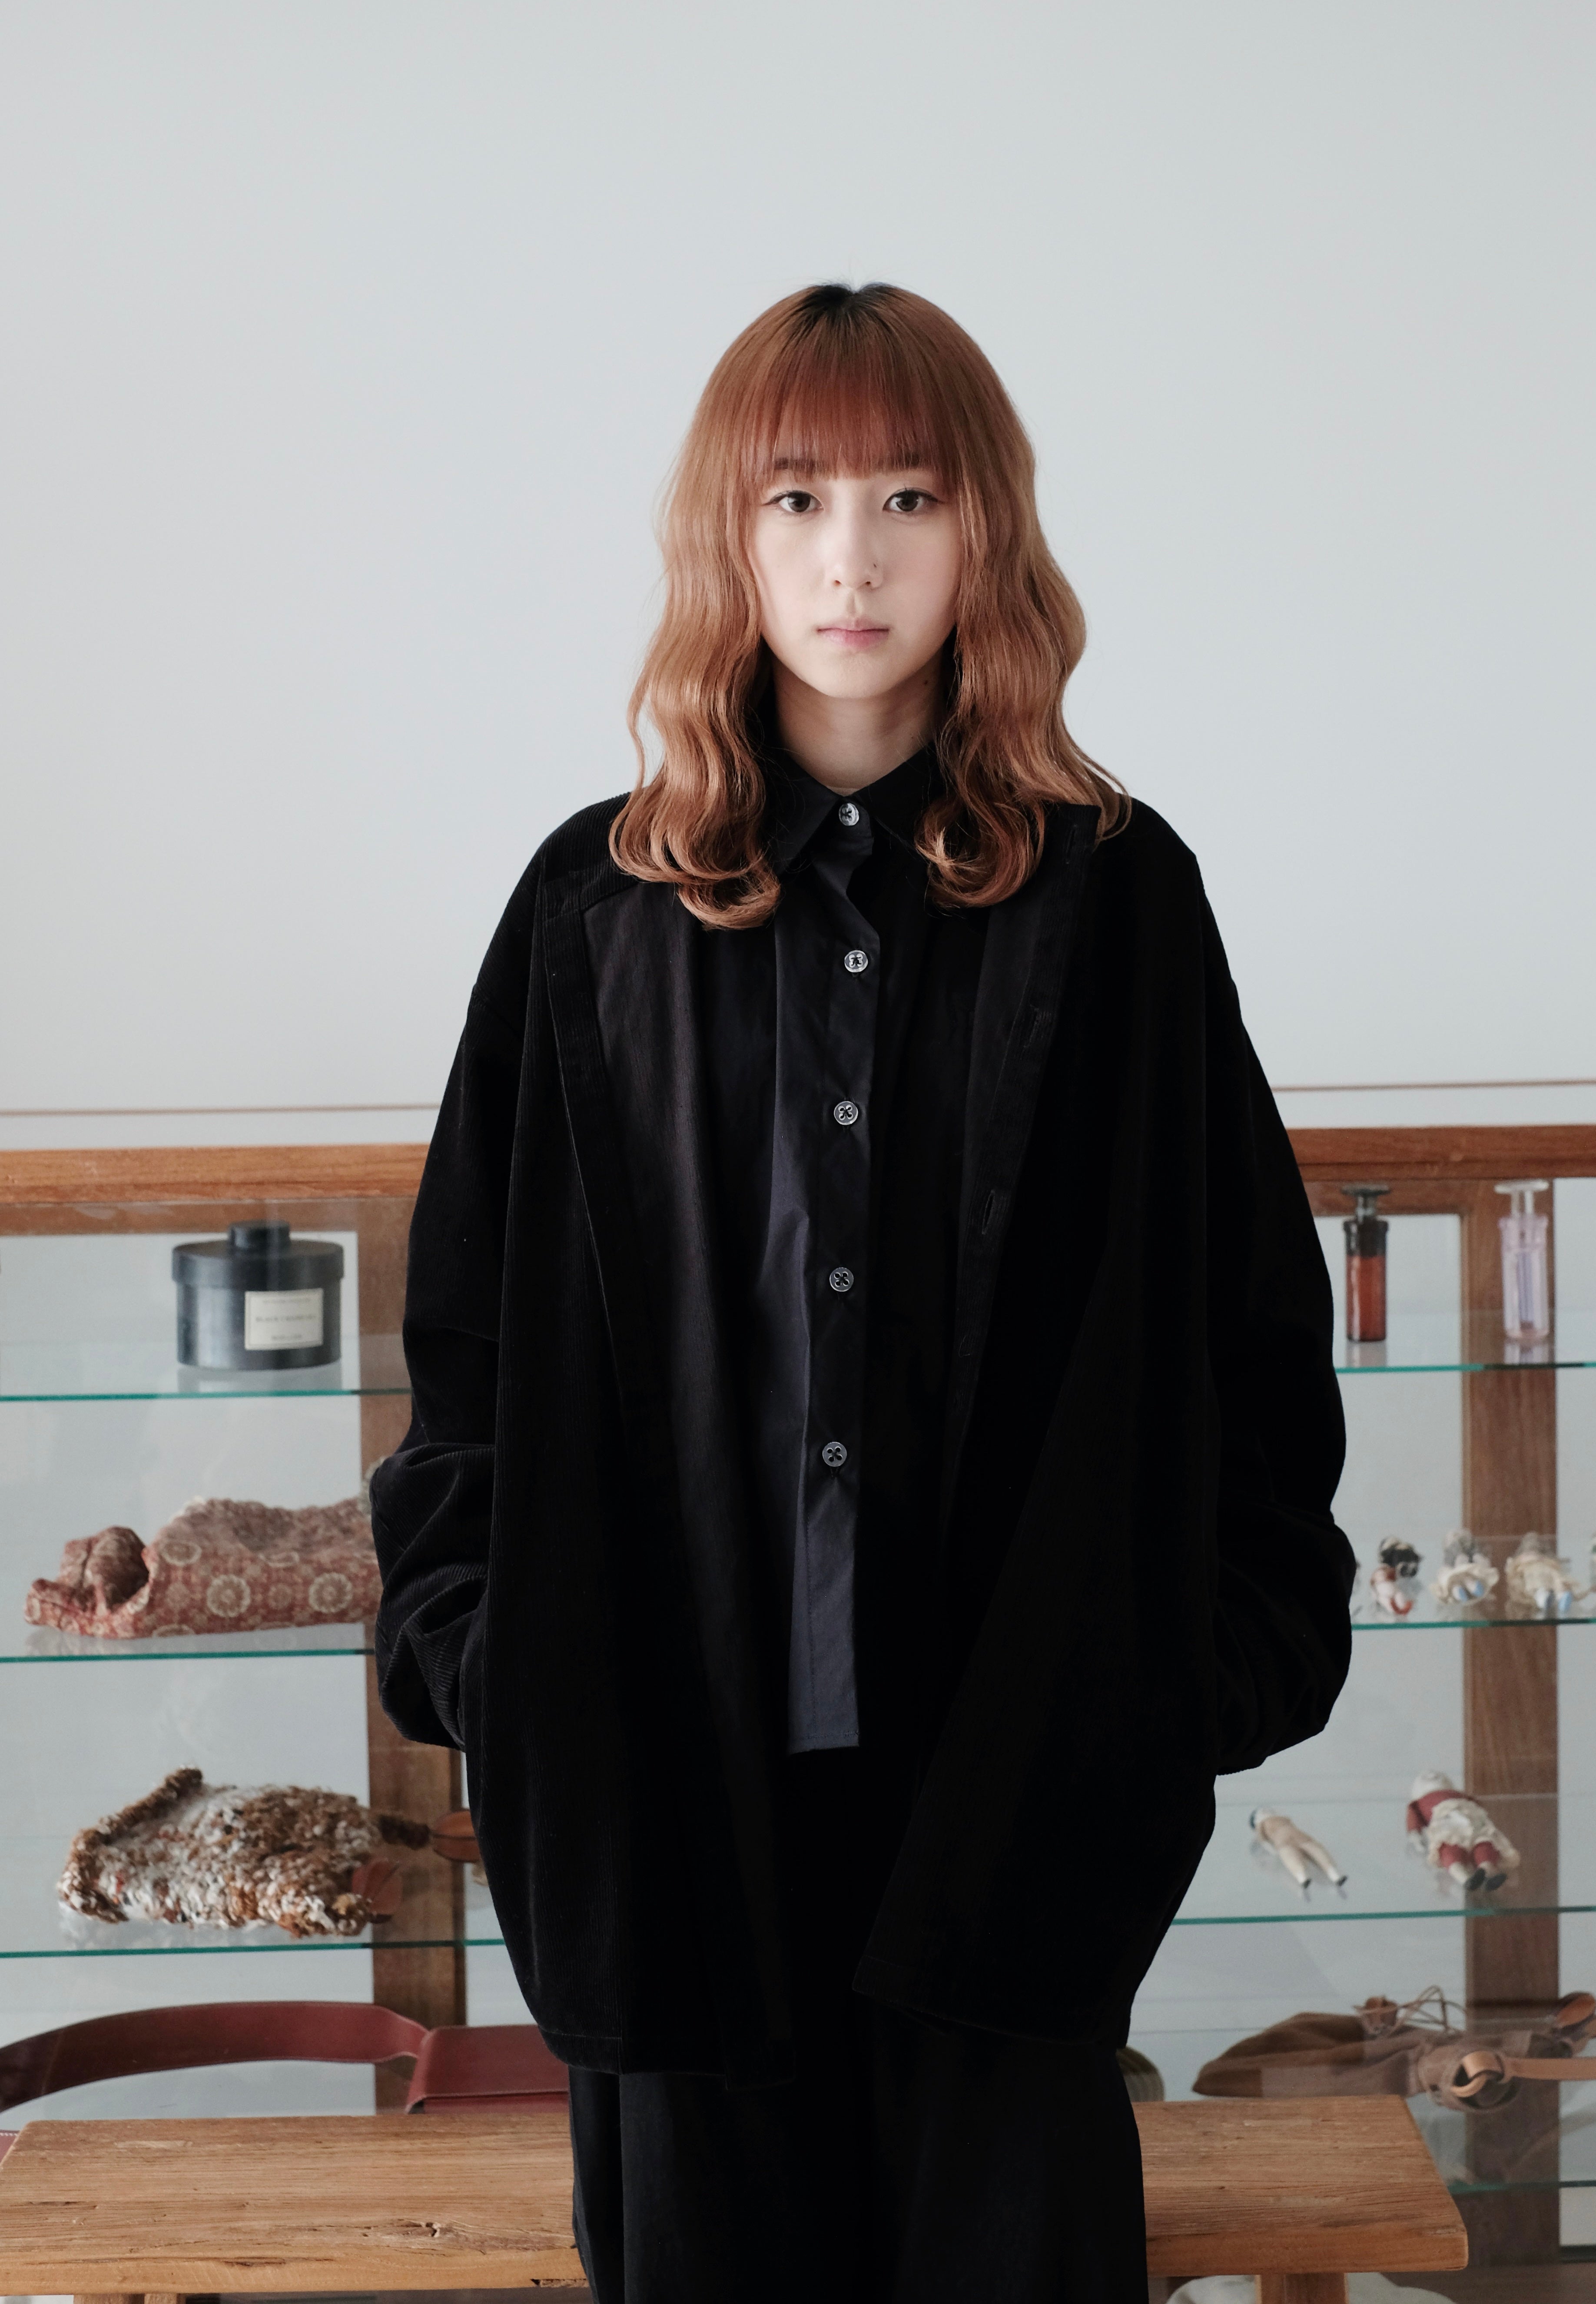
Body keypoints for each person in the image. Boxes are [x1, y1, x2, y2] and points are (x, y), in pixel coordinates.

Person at [370, 282, 1353, 2303]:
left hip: (1017, 1812)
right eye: (798, 498)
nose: (852, 560)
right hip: (669, 1812)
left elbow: (1250, 1324)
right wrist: (490, 1660)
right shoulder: (590, 913)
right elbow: (468, 1347)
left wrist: (1206, 1673)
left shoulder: (1118, 899)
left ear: (984, 527)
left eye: (909, 496)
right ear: (728, 536)